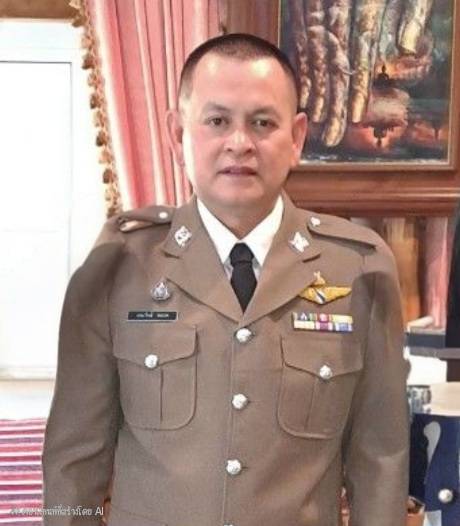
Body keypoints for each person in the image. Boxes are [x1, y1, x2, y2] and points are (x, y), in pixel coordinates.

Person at [42, 33, 410, 526]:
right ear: (178, 135)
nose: (240, 143)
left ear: (297, 137)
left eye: (263, 123)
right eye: (217, 121)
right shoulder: (120, 267)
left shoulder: (358, 270)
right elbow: (74, 459)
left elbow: (380, 459)